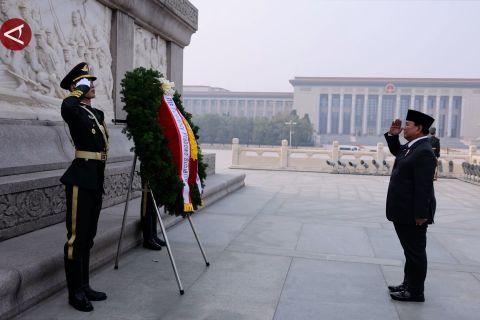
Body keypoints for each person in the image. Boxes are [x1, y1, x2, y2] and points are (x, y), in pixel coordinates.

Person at [60, 62, 109, 312]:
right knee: (76, 239)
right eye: (85, 83)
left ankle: (85, 285)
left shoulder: (95, 113)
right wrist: (76, 92)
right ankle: (75, 292)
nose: (91, 86)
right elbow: (67, 105)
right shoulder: (74, 110)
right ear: (74, 87)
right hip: (80, 179)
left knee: (88, 238)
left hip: (95, 179)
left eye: (90, 82)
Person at [384, 109, 437, 302]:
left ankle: (415, 292)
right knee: (410, 252)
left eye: (408, 125)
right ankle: (408, 283)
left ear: (419, 128)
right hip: (403, 211)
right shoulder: (411, 147)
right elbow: (398, 153)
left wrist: (420, 215)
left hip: (413, 214)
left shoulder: (424, 152)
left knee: (415, 253)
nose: (404, 127)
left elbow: (423, 187)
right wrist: (392, 136)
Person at [140, 174, 166, 250]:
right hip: (148, 168)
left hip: (157, 168)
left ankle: (153, 236)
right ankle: (148, 239)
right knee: (147, 202)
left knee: (154, 203)